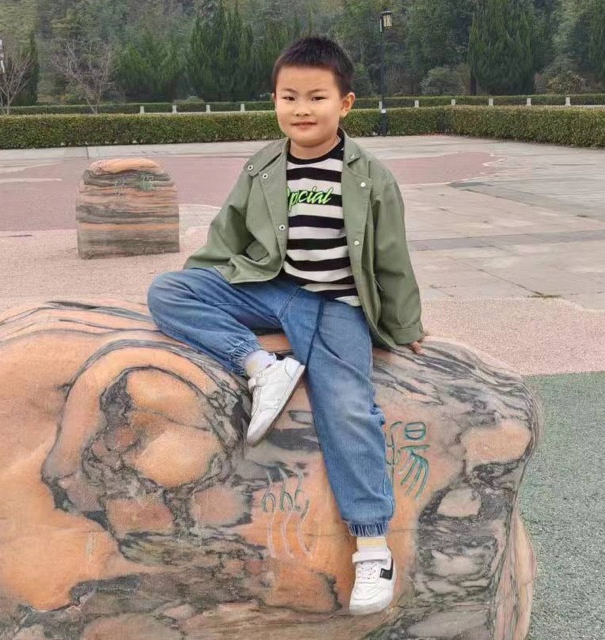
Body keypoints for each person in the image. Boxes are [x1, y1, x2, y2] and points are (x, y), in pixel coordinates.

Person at [148, 36, 424, 616]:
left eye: (316, 97)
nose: (302, 108)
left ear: (344, 104)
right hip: (273, 292)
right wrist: (210, 289)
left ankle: (373, 548)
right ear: (274, 100)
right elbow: (226, 238)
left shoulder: (370, 176)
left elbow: (391, 258)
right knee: (168, 290)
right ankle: (260, 366)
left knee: (348, 409)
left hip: (337, 306)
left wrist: (405, 326)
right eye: (289, 96)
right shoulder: (264, 167)